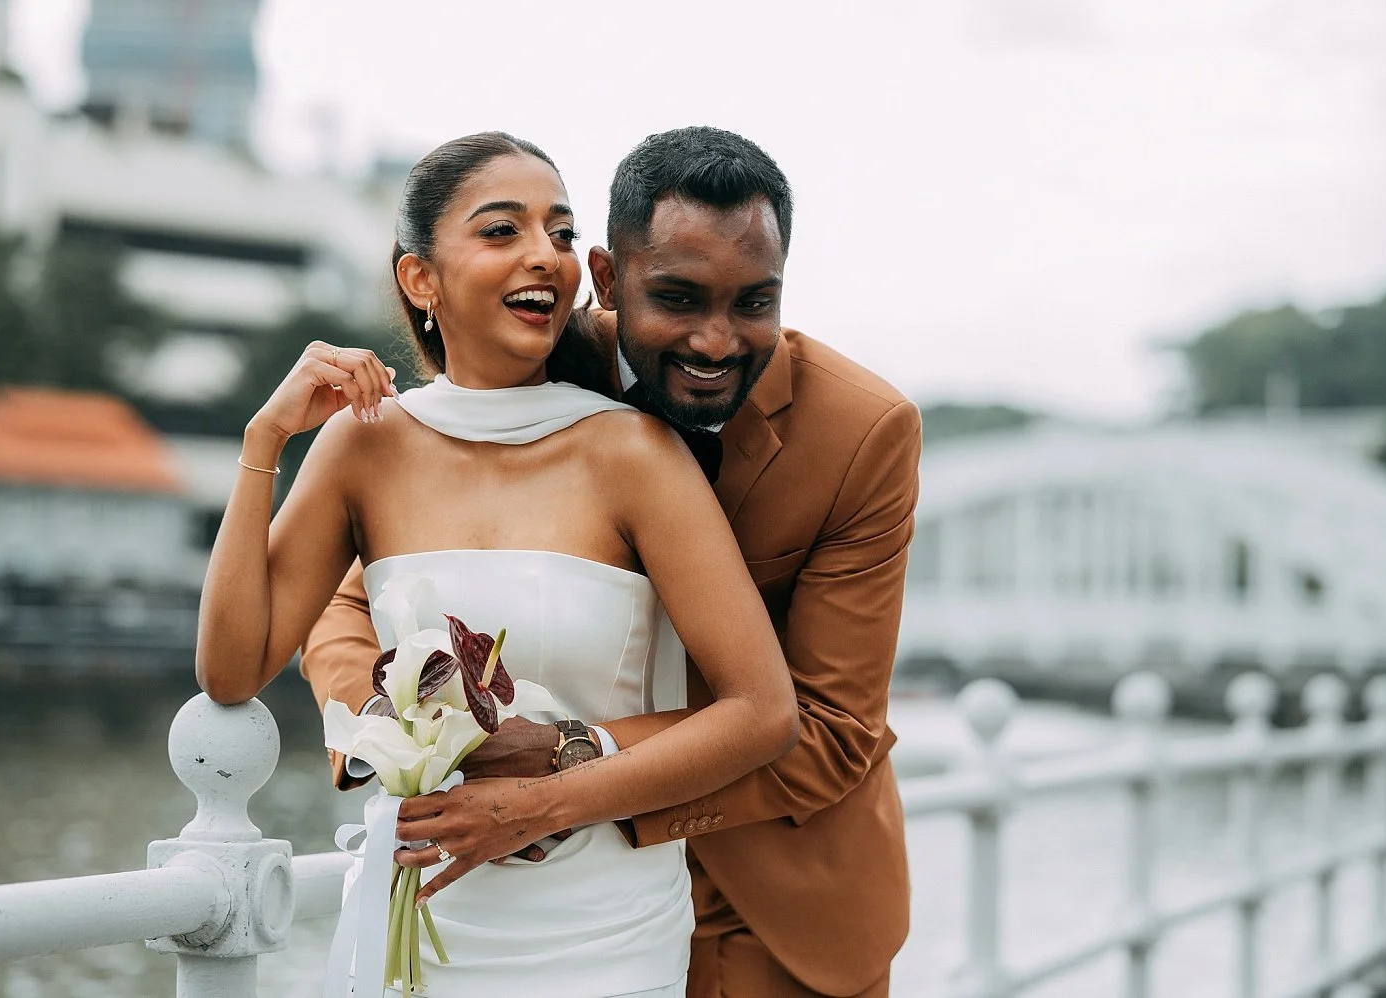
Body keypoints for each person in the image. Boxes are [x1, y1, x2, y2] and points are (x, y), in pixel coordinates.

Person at [304, 126, 920, 998]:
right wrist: (395, 726)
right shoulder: (529, 356)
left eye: (754, 304)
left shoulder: (863, 434)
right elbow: (352, 600)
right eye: (677, 298)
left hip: (780, 902)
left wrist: (570, 763)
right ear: (605, 277)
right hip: (526, 901)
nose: (716, 341)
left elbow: (830, 727)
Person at [196, 130, 800, 998]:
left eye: (559, 233)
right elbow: (229, 668)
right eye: (502, 230)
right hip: (415, 918)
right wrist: (264, 443)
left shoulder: (635, 454)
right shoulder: (361, 449)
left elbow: (760, 711)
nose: (544, 257)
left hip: (600, 939)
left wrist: (539, 799)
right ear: (420, 279)